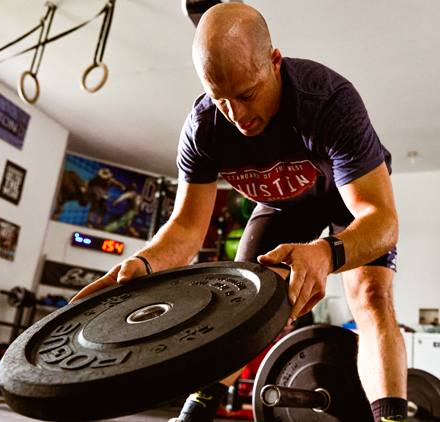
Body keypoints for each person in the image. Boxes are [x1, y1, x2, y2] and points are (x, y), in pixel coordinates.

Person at [71, 3, 406, 421]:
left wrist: (325, 253)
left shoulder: (329, 103)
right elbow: (186, 228)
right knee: (239, 302)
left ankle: (390, 417)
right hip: (281, 204)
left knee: (371, 295)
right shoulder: (204, 128)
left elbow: (383, 221)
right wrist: (143, 264)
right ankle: (197, 408)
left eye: (247, 94)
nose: (238, 114)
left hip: (347, 197)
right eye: (221, 99)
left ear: (274, 62)